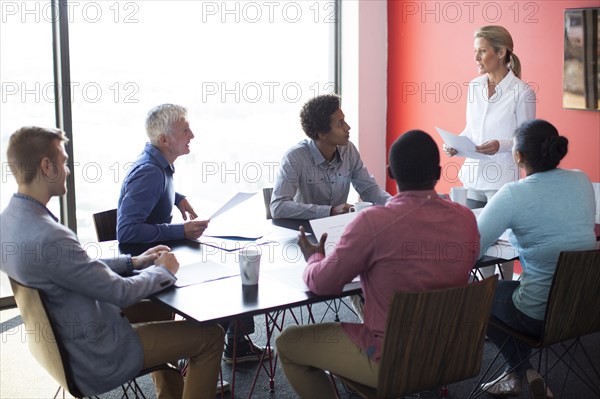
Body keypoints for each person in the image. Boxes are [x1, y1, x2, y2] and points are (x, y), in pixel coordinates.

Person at [0, 126, 224, 398]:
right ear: (47, 166)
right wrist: (163, 271)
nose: (68, 170)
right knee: (211, 336)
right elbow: (120, 292)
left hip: (61, 342)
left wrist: (135, 262)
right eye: (64, 162)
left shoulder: (9, 223)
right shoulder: (51, 236)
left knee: (160, 312)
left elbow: (76, 269)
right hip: (95, 351)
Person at [275, 130, 480, 398]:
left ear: (390, 172)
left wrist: (314, 257)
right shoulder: (466, 219)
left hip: (387, 358)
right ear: (439, 172)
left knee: (289, 342)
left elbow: (323, 284)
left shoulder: (373, 222)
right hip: (452, 353)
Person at [117, 104, 267, 364]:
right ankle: (203, 355)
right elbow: (127, 232)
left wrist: (178, 198)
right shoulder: (150, 172)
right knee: (227, 276)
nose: (192, 135)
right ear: (165, 140)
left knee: (227, 268)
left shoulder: (157, 164)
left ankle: (229, 346)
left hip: (160, 255)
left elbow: (152, 193)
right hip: (147, 265)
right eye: (185, 130)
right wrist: (181, 230)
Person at [477, 119, 597, 398]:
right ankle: (516, 374)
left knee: (478, 297)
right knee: (519, 291)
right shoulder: (581, 180)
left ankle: (522, 371)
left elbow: (473, 246)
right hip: (586, 307)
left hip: (539, 316)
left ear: (517, 156)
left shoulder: (513, 193)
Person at [443, 25, 536, 281]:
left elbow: (524, 140)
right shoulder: (474, 87)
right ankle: (480, 299)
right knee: (472, 240)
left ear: (501, 51)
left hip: (501, 180)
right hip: (472, 176)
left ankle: (500, 292)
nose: (476, 58)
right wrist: (456, 142)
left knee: (500, 247)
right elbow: (472, 129)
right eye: (476, 51)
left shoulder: (522, 92)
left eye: (482, 51)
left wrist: (501, 145)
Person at [270, 94, 391, 220]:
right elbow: (278, 207)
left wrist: (396, 205)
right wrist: (330, 211)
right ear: (321, 134)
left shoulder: (349, 150)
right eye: (340, 124)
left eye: (344, 120)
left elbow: (368, 189)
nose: (348, 127)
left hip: (337, 230)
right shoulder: (294, 158)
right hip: (304, 233)